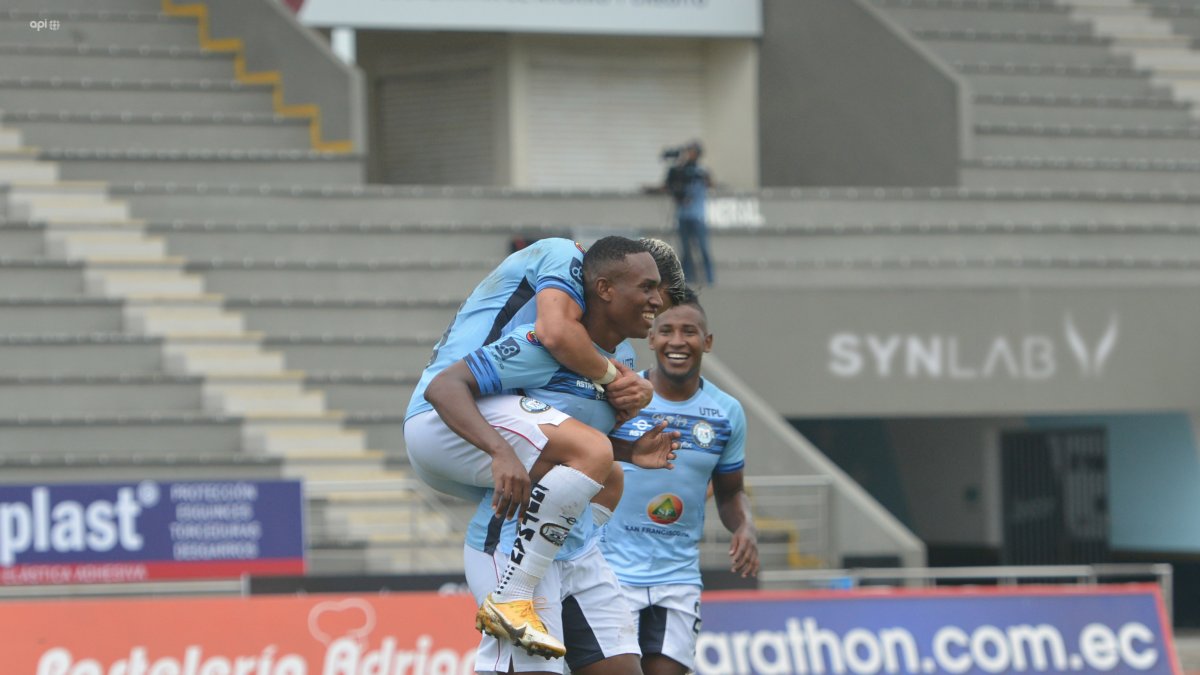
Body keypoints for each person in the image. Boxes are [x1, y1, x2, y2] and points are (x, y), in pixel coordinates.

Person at [417, 237, 680, 659]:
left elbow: (566, 446)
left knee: (609, 473)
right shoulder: (544, 333)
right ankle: (513, 592)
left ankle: (548, 554)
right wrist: (501, 452)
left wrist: (629, 452)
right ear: (604, 287)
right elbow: (447, 386)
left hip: (572, 549)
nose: (658, 301)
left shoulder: (624, 360)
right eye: (649, 288)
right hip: (508, 534)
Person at [600, 289, 758, 675]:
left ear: (707, 342)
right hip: (609, 573)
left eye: (688, 332)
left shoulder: (726, 413)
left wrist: (745, 525)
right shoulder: (619, 395)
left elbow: (730, 492)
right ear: (651, 338)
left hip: (678, 580)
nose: (676, 341)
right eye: (666, 330)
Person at [664, 142, 715, 286]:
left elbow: (711, 183)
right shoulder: (679, 171)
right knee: (685, 250)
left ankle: (710, 279)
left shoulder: (701, 170)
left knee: (703, 249)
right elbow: (670, 187)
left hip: (698, 216)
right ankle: (687, 280)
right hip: (683, 216)